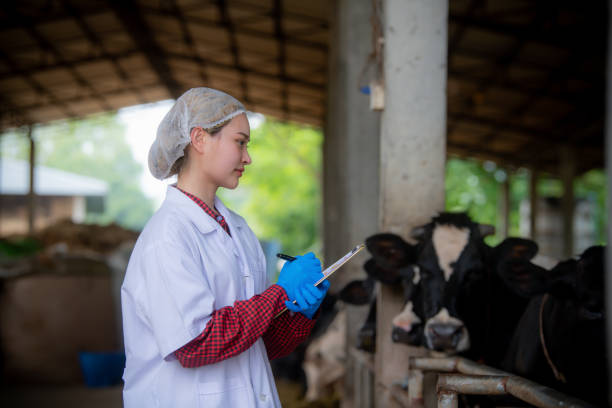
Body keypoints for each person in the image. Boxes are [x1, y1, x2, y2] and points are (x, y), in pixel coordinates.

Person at [121, 87, 330, 407]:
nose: (247, 157)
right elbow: (195, 345)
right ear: (200, 139)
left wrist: (297, 314)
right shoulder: (167, 238)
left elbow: (257, 345)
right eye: (240, 142)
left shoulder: (241, 232)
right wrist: (279, 294)